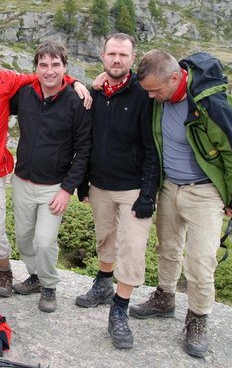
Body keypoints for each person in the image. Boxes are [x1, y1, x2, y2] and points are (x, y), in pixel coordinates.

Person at [0, 31, 91, 297]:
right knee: (5, 235)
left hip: (27, 180)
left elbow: (83, 148)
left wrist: (75, 82)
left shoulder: (18, 84)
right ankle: (9, 272)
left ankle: (29, 279)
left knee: (26, 237)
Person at [131, 50, 232, 357]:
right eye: (148, 91)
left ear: (176, 78)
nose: (152, 97)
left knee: (200, 261)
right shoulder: (158, 98)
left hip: (205, 192)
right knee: (168, 248)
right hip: (170, 186)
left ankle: (198, 318)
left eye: (156, 90)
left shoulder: (211, 104)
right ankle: (165, 297)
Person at [73, 33, 159, 349]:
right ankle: (103, 284)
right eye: (112, 54)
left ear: (132, 59)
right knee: (105, 238)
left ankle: (119, 310)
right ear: (102, 56)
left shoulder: (143, 95)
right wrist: (84, 182)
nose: (117, 60)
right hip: (100, 185)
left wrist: (149, 193)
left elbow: (152, 148)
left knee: (133, 247)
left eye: (123, 55)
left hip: (134, 189)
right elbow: (87, 141)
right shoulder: (96, 93)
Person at [10, 40, 91, 313]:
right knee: (24, 237)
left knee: (44, 240)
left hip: (54, 187)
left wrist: (68, 189)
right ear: (36, 68)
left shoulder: (75, 101)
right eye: (43, 65)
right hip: (22, 181)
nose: (49, 71)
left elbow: (84, 150)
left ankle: (49, 285)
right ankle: (34, 275)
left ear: (65, 68)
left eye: (55, 65)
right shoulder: (23, 94)